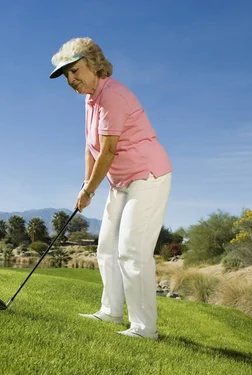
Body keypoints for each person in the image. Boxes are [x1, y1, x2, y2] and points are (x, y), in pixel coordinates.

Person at [49, 38, 172, 340]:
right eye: (66, 76)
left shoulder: (113, 96)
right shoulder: (91, 100)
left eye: (74, 71)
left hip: (147, 175)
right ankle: (111, 311)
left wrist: (89, 192)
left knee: (132, 250)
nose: (71, 80)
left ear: (91, 64)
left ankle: (145, 329)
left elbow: (108, 151)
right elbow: (90, 148)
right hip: (120, 182)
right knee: (106, 248)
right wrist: (85, 182)